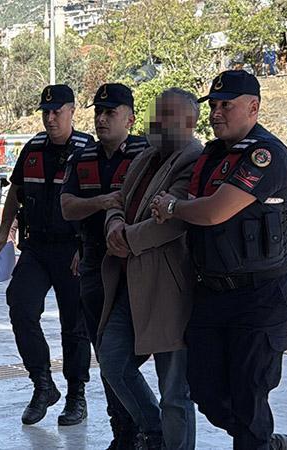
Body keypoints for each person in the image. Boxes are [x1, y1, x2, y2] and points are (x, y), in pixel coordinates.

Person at [151, 70, 287, 450]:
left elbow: (214, 211)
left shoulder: (265, 155)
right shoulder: (211, 155)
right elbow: (190, 202)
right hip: (213, 293)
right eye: (213, 105)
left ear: (253, 107)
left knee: (248, 393)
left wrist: (172, 207)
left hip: (261, 295)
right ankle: (262, 441)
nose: (216, 113)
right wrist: (173, 206)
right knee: (206, 390)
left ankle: (256, 440)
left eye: (226, 105)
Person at [98, 88, 203, 449]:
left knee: (174, 389)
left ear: (189, 121)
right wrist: (114, 224)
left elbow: (174, 221)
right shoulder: (145, 156)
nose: (157, 122)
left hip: (168, 290)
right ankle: (154, 432)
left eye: (167, 115)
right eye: (155, 114)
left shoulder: (194, 160)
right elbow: (118, 199)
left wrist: (127, 238)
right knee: (112, 360)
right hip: (129, 282)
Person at [0, 84, 93, 426]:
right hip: (36, 247)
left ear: (72, 111)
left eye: (57, 112)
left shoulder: (87, 150)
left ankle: (76, 395)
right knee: (20, 306)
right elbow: (16, 191)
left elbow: (96, 204)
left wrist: (85, 247)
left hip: (72, 248)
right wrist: (4, 230)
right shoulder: (33, 148)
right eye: (46, 112)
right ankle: (43, 384)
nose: (50, 118)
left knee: (74, 325)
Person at [60, 83, 147, 447]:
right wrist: (104, 202)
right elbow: (67, 207)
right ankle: (124, 432)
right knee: (106, 351)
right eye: (98, 112)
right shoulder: (82, 157)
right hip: (95, 259)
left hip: (140, 262)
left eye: (111, 112)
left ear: (130, 118)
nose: (102, 119)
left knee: (140, 351)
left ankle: (150, 426)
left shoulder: (147, 152)